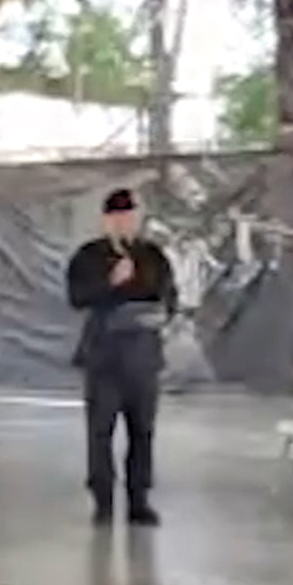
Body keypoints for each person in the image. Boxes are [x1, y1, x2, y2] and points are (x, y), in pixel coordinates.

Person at [66, 188, 178, 527]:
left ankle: (138, 501)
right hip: (104, 359)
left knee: (142, 432)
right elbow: (77, 297)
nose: (124, 223)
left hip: (142, 358)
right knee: (100, 433)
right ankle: (102, 500)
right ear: (106, 220)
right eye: (117, 217)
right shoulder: (89, 256)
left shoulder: (152, 256)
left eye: (130, 216)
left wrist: (162, 316)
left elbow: (169, 296)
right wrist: (111, 282)